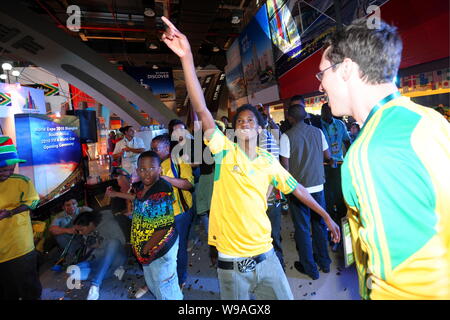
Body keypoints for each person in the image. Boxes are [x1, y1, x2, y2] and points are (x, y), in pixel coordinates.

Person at [161, 16, 340, 300]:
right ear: (234, 129)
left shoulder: (269, 161)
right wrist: (187, 58)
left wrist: (327, 216)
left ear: (259, 128)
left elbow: (298, 189)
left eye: (249, 121)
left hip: (266, 257)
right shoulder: (223, 149)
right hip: (231, 263)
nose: (244, 124)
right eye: (239, 121)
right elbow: (202, 109)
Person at [317, 18, 450, 299]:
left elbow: (406, 285)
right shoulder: (430, 119)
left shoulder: (370, 153)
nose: (320, 87)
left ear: (347, 69)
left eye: (322, 74)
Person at [106, 151, 183, 300]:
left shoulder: (162, 190)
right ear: (137, 171)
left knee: (165, 286)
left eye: (151, 168)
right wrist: (117, 195)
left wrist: (145, 250)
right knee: (154, 283)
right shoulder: (143, 186)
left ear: (160, 169)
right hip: (147, 251)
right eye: (142, 169)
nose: (146, 173)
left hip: (159, 250)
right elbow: (138, 198)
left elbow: (163, 228)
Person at [279, 104, 334, 280]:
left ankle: (311, 269)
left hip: (299, 190)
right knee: (319, 225)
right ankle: (325, 263)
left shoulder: (287, 136)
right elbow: (327, 155)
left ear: (290, 118)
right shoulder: (318, 132)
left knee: (302, 229)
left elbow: (285, 167)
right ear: (306, 116)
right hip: (318, 186)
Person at [0, 136, 41, 300]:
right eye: (3, 169)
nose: (8, 173)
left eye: (11, 168)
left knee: (29, 288)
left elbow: (33, 202)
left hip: (20, 247)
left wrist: (10, 213)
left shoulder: (22, 182)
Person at [151, 133, 194, 288]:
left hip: (180, 213)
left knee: (180, 247)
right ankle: (167, 276)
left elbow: (188, 184)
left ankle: (180, 278)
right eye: (152, 149)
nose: (153, 151)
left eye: (156, 149)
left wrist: (165, 178)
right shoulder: (154, 164)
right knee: (163, 247)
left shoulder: (179, 161)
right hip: (162, 215)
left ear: (167, 148)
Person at [72, 210, 127, 300]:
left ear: (90, 224)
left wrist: (100, 245)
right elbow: (91, 252)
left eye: (82, 230)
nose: (80, 233)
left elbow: (121, 242)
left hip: (117, 257)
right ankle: (111, 272)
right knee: (73, 271)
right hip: (100, 259)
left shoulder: (109, 223)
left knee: (113, 242)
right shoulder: (88, 232)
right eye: (78, 231)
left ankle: (95, 285)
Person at [320, 102, 351, 252]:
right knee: (328, 201)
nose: (325, 114)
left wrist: (350, 156)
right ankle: (333, 237)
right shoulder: (317, 126)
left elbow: (346, 140)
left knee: (340, 201)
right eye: (323, 111)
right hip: (324, 168)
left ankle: (346, 238)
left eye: (328, 111)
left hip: (339, 165)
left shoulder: (339, 124)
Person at [49, 198, 93, 265]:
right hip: (73, 240)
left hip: (87, 235)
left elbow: (96, 217)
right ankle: (75, 253)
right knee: (58, 235)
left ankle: (86, 250)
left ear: (77, 204)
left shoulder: (83, 209)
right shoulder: (59, 216)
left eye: (73, 204)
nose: (71, 207)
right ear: (63, 207)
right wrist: (67, 230)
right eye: (68, 205)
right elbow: (52, 229)